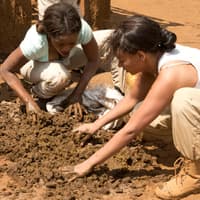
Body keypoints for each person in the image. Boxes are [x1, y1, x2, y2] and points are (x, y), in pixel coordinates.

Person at [61, 15, 200, 199]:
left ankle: (195, 175)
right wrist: (95, 126)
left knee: (182, 100)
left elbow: (131, 130)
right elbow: (130, 100)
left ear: (140, 55)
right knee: (146, 119)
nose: (119, 65)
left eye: (122, 59)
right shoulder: (155, 56)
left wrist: (89, 163)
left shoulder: (172, 72)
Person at [0, 2, 113, 114]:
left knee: (112, 38)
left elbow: (93, 59)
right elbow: (5, 70)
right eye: (61, 44)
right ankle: (40, 94)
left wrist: (77, 95)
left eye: (72, 43)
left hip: (65, 61)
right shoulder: (36, 43)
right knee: (60, 76)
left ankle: (123, 91)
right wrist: (27, 101)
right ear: (49, 36)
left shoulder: (81, 29)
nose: (66, 48)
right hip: (33, 65)